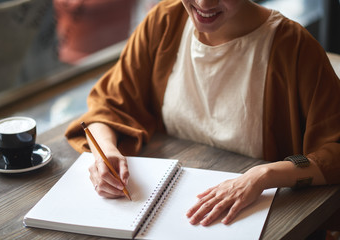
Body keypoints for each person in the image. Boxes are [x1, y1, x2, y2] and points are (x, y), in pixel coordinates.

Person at [65, 0, 340, 228]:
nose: (204, 4)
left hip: (257, 217)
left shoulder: (293, 47)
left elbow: (334, 153)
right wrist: (106, 152)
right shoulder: (164, 22)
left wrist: (263, 176)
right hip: (167, 211)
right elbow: (108, 104)